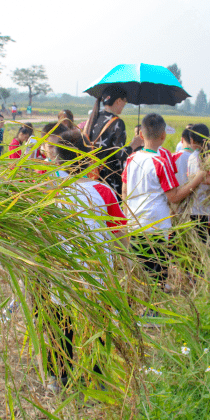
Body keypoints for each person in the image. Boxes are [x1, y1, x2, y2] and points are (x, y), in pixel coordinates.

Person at [44, 128, 127, 392]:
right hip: (98, 272)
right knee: (99, 323)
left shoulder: (52, 193)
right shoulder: (102, 191)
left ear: (58, 160)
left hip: (63, 272)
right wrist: (122, 262)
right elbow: (120, 233)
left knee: (61, 322)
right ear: (89, 157)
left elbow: (42, 234)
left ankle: (59, 376)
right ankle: (98, 375)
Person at [122, 113, 206, 285]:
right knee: (156, 277)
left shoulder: (131, 158)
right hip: (155, 227)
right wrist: (198, 178)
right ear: (163, 136)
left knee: (137, 275)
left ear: (141, 135)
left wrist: (126, 215)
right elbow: (174, 197)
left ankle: (138, 308)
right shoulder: (160, 162)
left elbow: (124, 190)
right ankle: (152, 311)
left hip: (134, 223)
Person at [82, 85, 143, 198]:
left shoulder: (92, 118)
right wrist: (134, 145)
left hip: (88, 178)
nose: (124, 105)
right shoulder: (117, 123)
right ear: (119, 101)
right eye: (125, 101)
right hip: (109, 181)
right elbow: (121, 155)